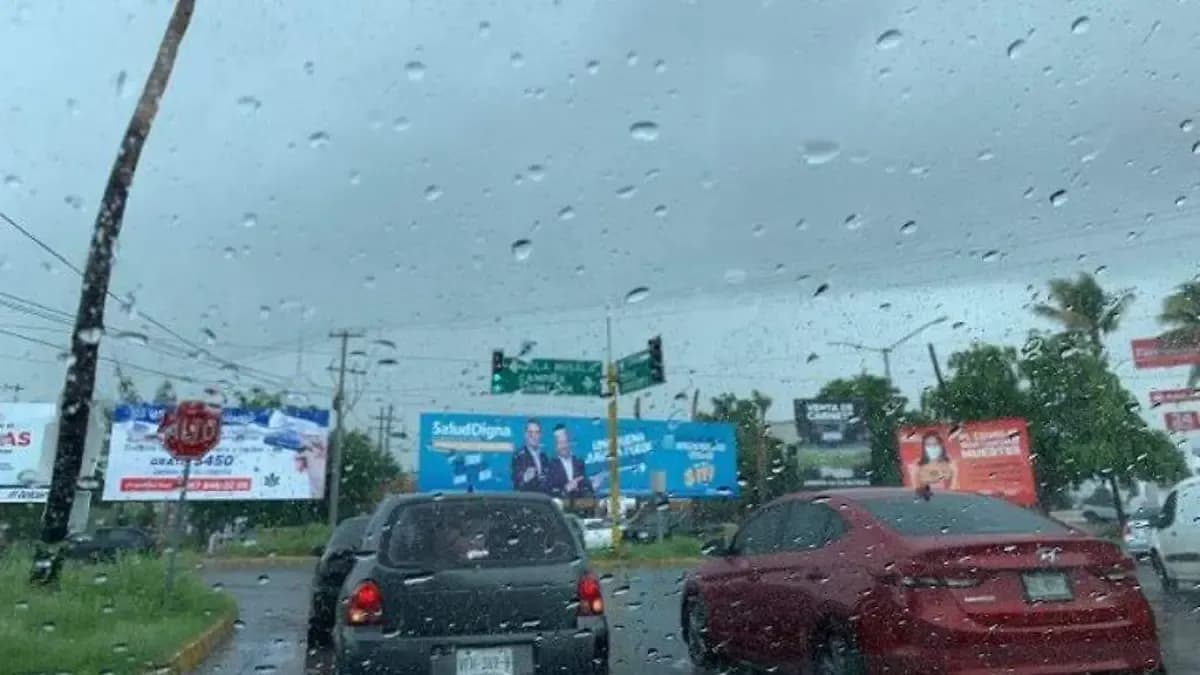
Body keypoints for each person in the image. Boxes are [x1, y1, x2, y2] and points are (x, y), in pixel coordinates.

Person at [546, 424, 593, 498]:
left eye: (565, 441)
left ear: (570, 441)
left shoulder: (579, 462)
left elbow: (586, 488)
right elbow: (548, 494)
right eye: (560, 442)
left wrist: (591, 486)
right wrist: (566, 489)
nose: (563, 446)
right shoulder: (550, 466)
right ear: (555, 445)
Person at [511, 418, 550, 492]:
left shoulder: (544, 456)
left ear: (540, 435)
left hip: (543, 499)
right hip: (528, 500)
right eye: (530, 433)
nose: (534, 436)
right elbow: (516, 483)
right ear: (525, 435)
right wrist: (525, 478)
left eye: (537, 432)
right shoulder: (519, 456)